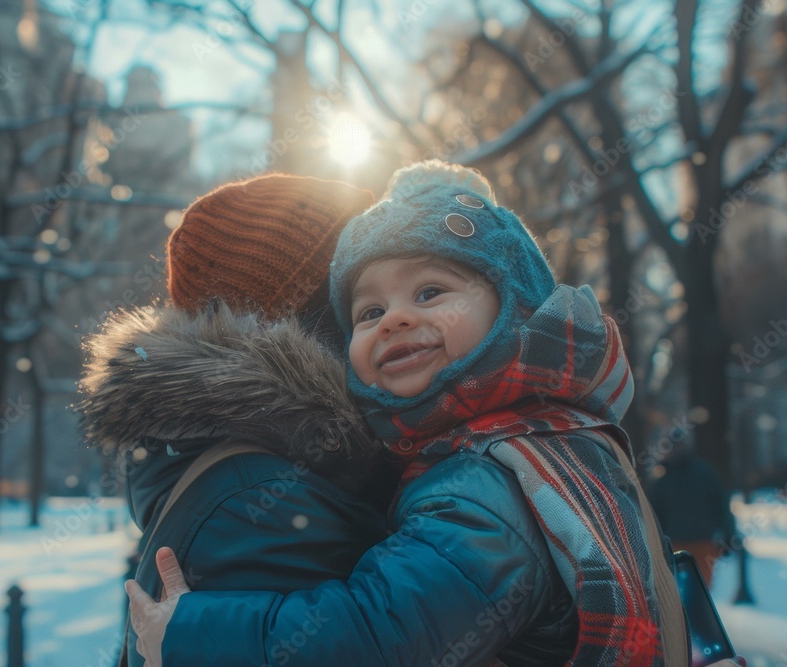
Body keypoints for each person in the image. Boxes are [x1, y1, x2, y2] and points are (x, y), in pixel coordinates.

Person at [129, 161, 701, 666]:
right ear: (306, 329)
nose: (393, 321)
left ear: (509, 310)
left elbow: (379, 636)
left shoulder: (491, 467)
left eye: (430, 291)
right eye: (365, 307)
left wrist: (195, 635)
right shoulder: (262, 493)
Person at [79, 174, 399, 667]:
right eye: (360, 297)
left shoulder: (279, 462)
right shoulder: (257, 497)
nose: (386, 318)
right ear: (308, 316)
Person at [647, 447, 737, 586]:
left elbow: (654, 517)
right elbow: (721, 506)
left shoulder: (662, 477)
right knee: (702, 591)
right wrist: (729, 536)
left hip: (675, 546)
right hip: (704, 543)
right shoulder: (705, 471)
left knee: (677, 593)